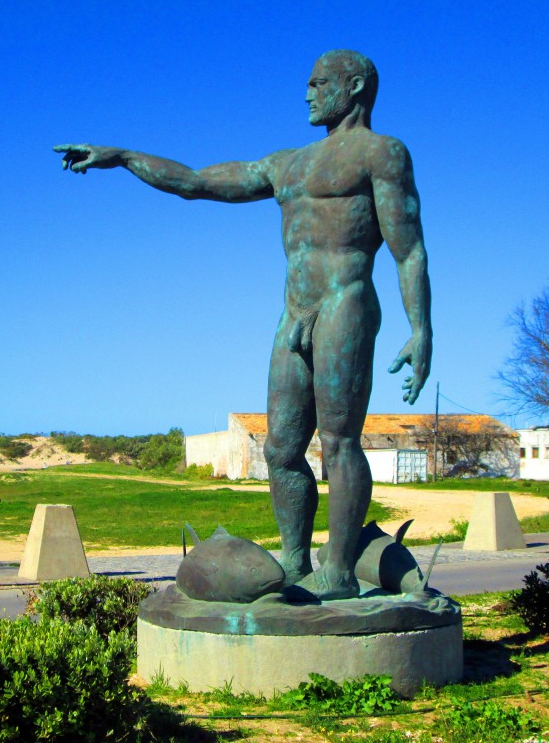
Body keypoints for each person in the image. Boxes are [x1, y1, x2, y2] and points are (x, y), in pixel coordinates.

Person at [55, 49, 431, 599]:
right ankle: (298, 561)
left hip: (345, 304)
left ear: (353, 87)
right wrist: (124, 156)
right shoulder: (287, 164)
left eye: (317, 82)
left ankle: (341, 570)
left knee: (340, 442)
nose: (306, 92)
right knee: (281, 449)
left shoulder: (382, 153)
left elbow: (409, 250)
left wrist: (420, 329)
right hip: (294, 314)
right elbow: (196, 182)